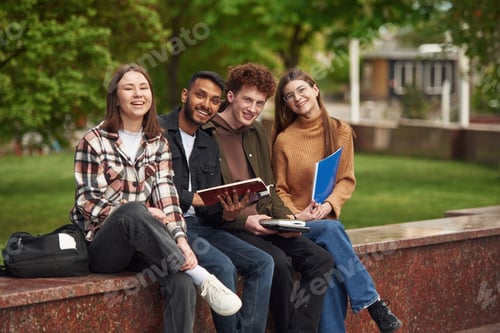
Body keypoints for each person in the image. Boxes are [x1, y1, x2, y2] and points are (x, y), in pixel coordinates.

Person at [69, 63, 241, 333]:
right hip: (104, 247)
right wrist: (142, 212)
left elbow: (168, 200)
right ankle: (201, 276)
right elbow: (88, 203)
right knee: (134, 211)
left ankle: (191, 274)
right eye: (129, 88)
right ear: (115, 97)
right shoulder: (94, 141)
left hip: (148, 245)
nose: (138, 94)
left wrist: (182, 242)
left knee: (182, 284)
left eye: (144, 87)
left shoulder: (157, 143)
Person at [203, 63, 335, 333]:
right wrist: (244, 221)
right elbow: (207, 201)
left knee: (321, 260)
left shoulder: (257, 132)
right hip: (233, 227)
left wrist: (290, 219)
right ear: (231, 97)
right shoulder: (207, 134)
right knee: (279, 264)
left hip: (268, 223)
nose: (253, 108)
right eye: (247, 100)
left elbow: (269, 187)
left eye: (260, 103)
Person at [271, 68, 403, 333]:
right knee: (332, 230)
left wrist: (329, 205)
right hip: (297, 224)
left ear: (315, 89)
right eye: (288, 96)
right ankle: (372, 302)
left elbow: (346, 179)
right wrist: (299, 215)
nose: (297, 98)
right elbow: (279, 189)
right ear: (285, 104)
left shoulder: (340, 131)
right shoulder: (284, 140)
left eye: (301, 90)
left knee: (328, 270)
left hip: (326, 224)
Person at [158, 70, 274, 333]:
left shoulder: (208, 143)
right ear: (185, 95)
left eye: (213, 100)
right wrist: (193, 199)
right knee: (223, 266)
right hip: (168, 225)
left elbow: (210, 210)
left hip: (202, 227)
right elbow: (150, 186)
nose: (206, 105)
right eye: (200, 95)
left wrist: (230, 213)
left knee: (263, 262)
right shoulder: (159, 131)